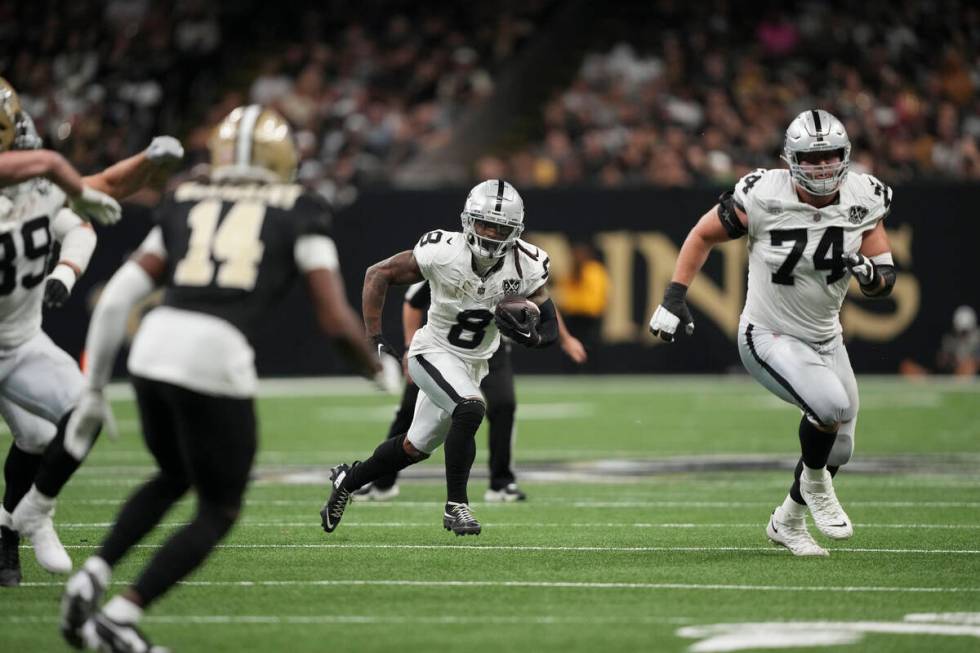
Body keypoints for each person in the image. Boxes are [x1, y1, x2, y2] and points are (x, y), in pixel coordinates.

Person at [57, 105, 398, 652]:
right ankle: (121, 616)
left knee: (173, 473)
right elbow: (334, 320)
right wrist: (377, 368)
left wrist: (94, 387)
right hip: (213, 352)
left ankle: (93, 573)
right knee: (220, 507)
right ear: (282, 157)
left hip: (153, 344)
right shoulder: (301, 207)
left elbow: (119, 296)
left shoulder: (185, 197)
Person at [649, 110, 897, 557]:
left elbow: (885, 277)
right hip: (768, 334)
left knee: (839, 447)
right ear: (791, 159)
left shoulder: (865, 195)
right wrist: (673, 296)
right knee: (830, 406)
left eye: (831, 157)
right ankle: (817, 487)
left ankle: (788, 520)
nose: (822, 167)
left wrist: (868, 274)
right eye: (811, 158)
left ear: (846, 156)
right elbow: (702, 235)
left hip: (826, 338)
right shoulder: (763, 193)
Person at [0, 76, 185, 587]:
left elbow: (102, 188)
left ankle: (21, 519)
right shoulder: (37, 169)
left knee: (76, 417)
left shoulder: (35, 186)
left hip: (17, 340)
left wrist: (148, 162)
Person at [321, 179, 558, 536]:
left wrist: (534, 336)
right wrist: (374, 339)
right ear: (468, 220)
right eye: (485, 223)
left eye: (502, 227)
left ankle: (347, 480)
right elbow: (377, 274)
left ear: (516, 231)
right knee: (471, 407)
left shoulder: (528, 264)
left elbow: (551, 324)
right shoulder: (443, 251)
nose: (492, 234)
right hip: (432, 350)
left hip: (475, 362)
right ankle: (456, 506)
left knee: (413, 448)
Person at [354, 279, 587, 503]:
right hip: (443, 349)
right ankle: (382, 482)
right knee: (408, 410)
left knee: (504, 405)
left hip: (490, 348)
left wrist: (564, 338)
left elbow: (543, 302)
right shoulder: (450, 262)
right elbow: (413, 303)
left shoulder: (518, 265)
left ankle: (502, 482)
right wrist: (408, 346)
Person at [555, 241, 609, 368]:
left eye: (580, 253)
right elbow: (563, 292)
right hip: (573, 320)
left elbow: (592, 304)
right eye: (575, 253)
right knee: (569, 352)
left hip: (589, 321)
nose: (577, 256)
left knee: (589, 353)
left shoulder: (594, 271)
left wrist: (568, 301)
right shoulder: (572, 271)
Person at [937, 305, 979, 376]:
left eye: (966, 332)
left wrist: (972, 362)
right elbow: (941, 361)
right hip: (955, 375)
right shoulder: (950, 340)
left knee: (969, 365)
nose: (963, 335)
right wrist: (951, 361)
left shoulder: (978, 337)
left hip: (974, 375)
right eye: (962, 332)